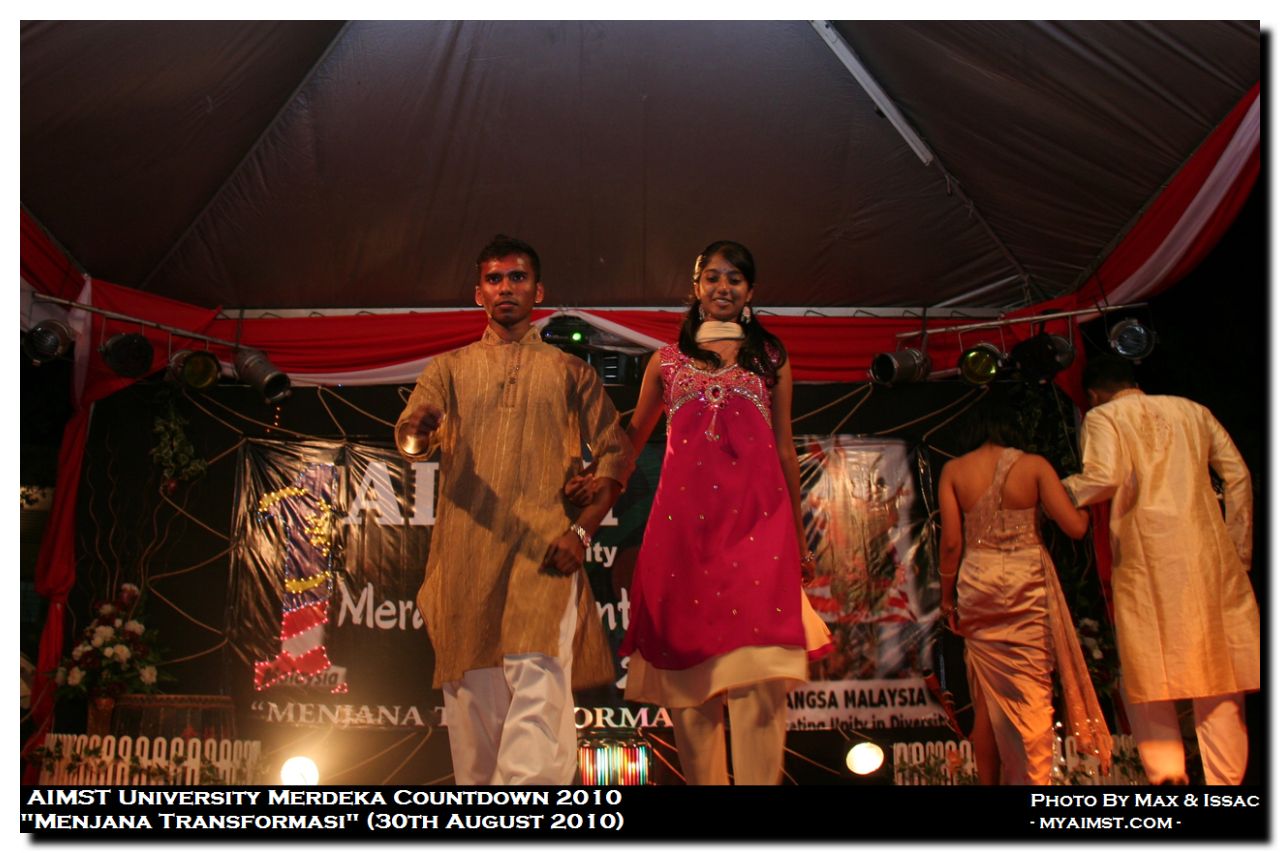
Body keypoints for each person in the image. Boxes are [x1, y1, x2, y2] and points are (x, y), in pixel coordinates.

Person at [579, 240, 830, 785]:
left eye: (734, 278)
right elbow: (632, 438)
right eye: (712, 277)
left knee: (760, 678)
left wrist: (799, 538)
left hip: (758, 530)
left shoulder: (770, 358)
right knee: (689, 686)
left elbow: (785, 450)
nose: (723, 287)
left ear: (750, 291)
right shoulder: (666, 362)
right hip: (683, 540)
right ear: (695, 287)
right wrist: (597, 478)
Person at [395, 234, 634, 785]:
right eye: (495, 278)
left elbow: (616, 454)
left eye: (518, 277)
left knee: (539, 689)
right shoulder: (449, 368)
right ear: (478, 292)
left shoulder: (570, 370)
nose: (506, 287)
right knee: (474, 717)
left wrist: (581, 532)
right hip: (465, 559)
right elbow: (410, 440)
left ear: (538, 291)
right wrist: (418, 431)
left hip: (544, 551)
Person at [1062, 355, 1258, 785]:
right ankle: (1226, 787)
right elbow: (1238, 476)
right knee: (1218, 674)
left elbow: (1103, 477)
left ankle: (1168, 785)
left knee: (1148, 678)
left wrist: (1056, 494)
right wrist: (1237, 551)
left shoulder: (1104, 417)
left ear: (1092, 396)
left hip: (1147, 560)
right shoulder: (1193, 410)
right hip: (1208, 560)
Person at [938, 394, 1112, 784]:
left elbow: (950, 544)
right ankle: (1034, 783)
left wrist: (947, 599)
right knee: (1032, 692)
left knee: (987, 698)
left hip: (978, 584)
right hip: (1024, 584)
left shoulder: (954, 470)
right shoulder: (1033, 466)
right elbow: (1075, 528)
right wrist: (1086, 510)